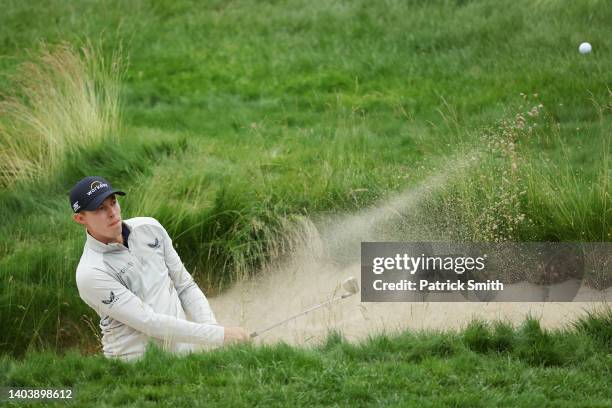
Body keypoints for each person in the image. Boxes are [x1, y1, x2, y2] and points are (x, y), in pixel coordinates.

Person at [70, 176, 249, 361]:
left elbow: (185, 286)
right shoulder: (91, 272)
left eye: (113, 203)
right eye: (100, 208)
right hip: (137, 368)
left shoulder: (150, 228)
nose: (112, 213)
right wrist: (221, 336)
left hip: (186, 357)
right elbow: (149, 322)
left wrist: (213, 330)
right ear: (80, 218)